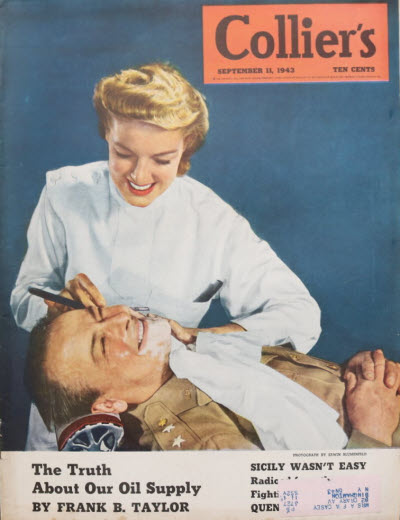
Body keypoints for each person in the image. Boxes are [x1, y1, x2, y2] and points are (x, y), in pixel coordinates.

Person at [10, 63, 322, 448]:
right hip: (71, 423)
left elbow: (300, 315)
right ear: (106, 133)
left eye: (162, 160)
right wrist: (54, 306)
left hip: (175, 421)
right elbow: (23, 297)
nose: (139, 176)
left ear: (185, 149)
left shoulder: (214, 222)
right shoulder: (65, 193)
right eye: (123, 153)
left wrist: (202, 338)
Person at [26, 305, 400, 451]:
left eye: (100, 313)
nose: (119, 318)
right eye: (102, 344)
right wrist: (373, 431)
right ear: (110, 403)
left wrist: (347, 377)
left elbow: (280, 376)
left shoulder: (184, 357)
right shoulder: (200, 447)